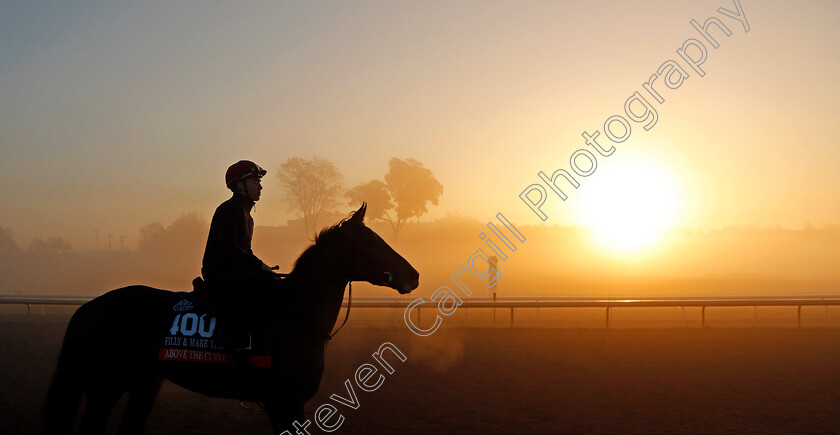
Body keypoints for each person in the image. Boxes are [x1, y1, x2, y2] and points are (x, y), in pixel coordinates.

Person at [201, 160, 279, 351]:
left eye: (259, 182)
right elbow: (229, 249)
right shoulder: (228, 210)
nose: (260, 187)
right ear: (239, 185)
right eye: (255, 182)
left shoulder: (247, 215)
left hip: (235, 273)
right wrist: (258, 266)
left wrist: (264, 268)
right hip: (220, 275)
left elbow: (245, 252)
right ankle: (235, 341)